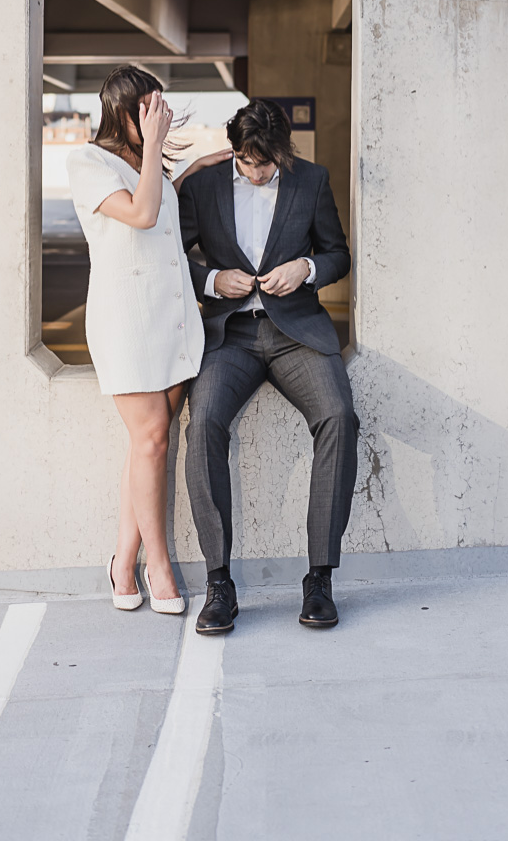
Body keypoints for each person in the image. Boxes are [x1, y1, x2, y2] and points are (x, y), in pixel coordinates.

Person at [178, 98, 359, 634]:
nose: (259, 173)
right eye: (250, 163)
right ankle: (219, 583)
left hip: (295, 331)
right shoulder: (203, 186)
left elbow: (337, 254)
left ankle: (320, 578)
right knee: (205, 421)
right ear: (234, 150)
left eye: (269, 164)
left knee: (339, 417)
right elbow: (170, 257)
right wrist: (213, 281)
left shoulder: (311, 180)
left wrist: (305, 268)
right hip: (230, 334)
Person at [66, 65, 228, 615]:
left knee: (146, 447)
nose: (160, 116)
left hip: (174, 319)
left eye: (161, 107)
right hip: (126, 323)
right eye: (150, 109)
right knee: (154, 439)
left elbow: (162, 201)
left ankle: (120, 560)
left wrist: (196, 165)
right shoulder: (87, 162)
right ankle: (157, 566)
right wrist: (158, 145)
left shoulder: (148, 165)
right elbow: (140, 212)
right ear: (124, 111)